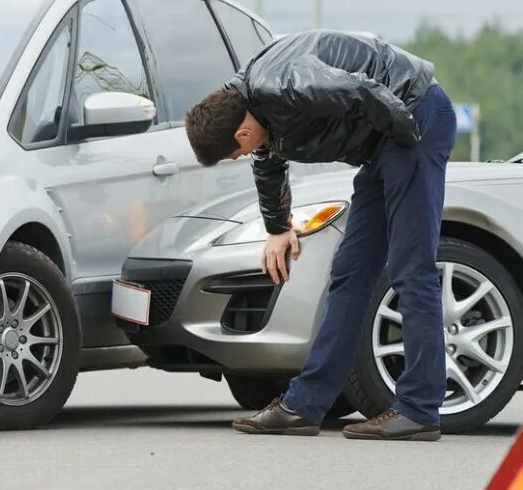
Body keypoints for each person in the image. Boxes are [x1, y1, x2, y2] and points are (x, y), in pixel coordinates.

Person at [185, 30, 456, 441]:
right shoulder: (250, 103)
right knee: (349, 272)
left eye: (233, 153)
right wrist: (277, 228)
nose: (241, 156)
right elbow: (268, 161)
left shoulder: (288, 84)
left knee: (410, 266)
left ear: (240, 134)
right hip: (384, 143)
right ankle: (305, 406)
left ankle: (419, 409)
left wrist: (408, 147)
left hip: (413, 120)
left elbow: (364, 92)